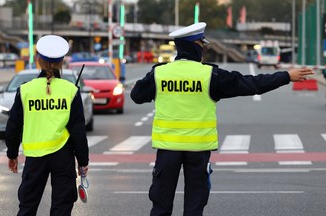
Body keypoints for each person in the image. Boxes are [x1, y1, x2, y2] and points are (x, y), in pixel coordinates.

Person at [130, 22, 314, 216]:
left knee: (161, 206)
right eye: (202, 44)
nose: (204, 48)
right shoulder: (210, 75)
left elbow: (136, 95)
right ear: (195, 46)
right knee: (194, 206)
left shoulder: (159, 74)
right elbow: (251, 84)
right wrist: (286, 76)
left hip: (167, 150)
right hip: (198, 150)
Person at [5, 35, 89, 216]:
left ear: (38, 61)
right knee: (61, 208)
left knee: (27, 207)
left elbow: (13, 126)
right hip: (63, 157)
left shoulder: (26, 90)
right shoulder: (70, 91)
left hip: (35, 159)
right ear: (62, 62)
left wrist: (12, 154)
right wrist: (83, 162)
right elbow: (78, 131)